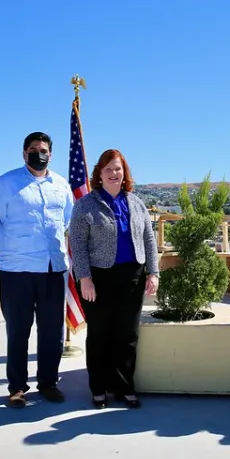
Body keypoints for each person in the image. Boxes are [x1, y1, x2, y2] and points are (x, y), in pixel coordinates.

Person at [0, 131, 74, 408]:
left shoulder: (61, 185)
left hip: (53, 268)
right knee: (19, 330)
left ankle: (48, 382)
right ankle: (17, 387)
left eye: (44, 149)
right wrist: (14, 247)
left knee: (52, 332)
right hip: (17, 270)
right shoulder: (5, 183)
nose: (39, 153)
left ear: (51, 154)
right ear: (24, 154)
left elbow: (67, 219)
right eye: (34, 149)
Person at [69, 149, 159, 409]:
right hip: (98, 278)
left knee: (127, 335)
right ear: (99, 173)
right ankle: (99, 388)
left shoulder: (136, 203)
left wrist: (153, 272)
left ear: (124, 173)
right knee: (100, 334)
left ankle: (124, 387)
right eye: (107, 169)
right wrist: (84, 278)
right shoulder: (85, 204)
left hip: (132, 276)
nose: (113, 173)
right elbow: (78, 243)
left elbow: (148, 239)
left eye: (117, 168)